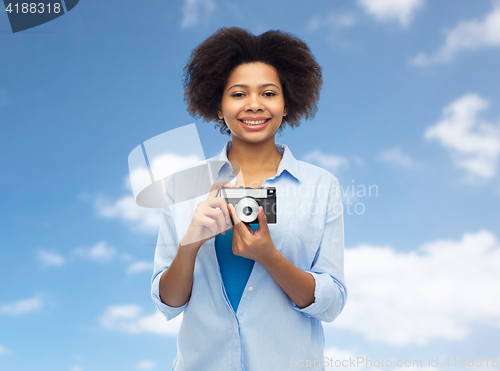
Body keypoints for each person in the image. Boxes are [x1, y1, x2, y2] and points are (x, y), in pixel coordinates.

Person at [151, 27, 347, 371]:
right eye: (238, 94)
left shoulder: (321, 185)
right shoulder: (183, 186)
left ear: (287, 103)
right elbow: (168, 304)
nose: (254, 104)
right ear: (218, 104)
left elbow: (331, 304)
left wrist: (269, 257)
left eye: (269, 93)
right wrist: (189, 246)